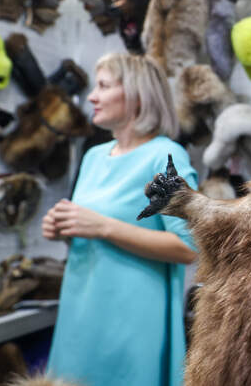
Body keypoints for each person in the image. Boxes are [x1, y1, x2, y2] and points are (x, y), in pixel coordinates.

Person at [42, 52, 198, 386]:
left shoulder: (164, 156)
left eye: (103, 86)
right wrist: (65, 229)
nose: (91, 97)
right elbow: (94, 229)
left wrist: (103, 227)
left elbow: (189, 247)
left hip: (132, 325)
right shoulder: (95, 156)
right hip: (79, 313)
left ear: (137, 95)